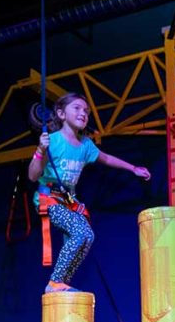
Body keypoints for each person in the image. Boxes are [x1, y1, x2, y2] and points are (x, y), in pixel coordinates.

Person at [28, 93, 150, 292]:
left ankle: (62, 282)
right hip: (48, 198)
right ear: (61, 113)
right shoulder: (52, 141)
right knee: (80, 231)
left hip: (68, 201)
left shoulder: (85, 145)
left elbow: (107, 159)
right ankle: (54, 281)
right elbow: (33, 175)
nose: (83, 113)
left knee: (88, 236)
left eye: (86, 111)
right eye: (76, 108)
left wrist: (133, 168)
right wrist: (41, 150)